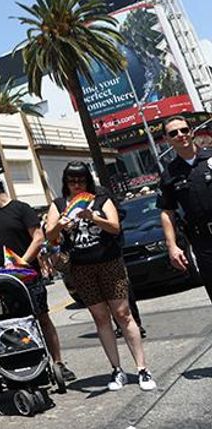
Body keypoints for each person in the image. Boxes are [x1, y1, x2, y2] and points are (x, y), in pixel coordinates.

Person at [44, 162, 156, 391]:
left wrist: (93, 217)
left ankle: (142, 369)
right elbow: (49, 236)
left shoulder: (101, 200)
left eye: (81, 181)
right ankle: (116, 369)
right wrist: (60, 226)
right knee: (100, 318)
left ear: (88, 182)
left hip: (109, 263)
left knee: (123, 314)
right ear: (65, 183)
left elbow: (115, 227)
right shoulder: (58, 205)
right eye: (72, 181)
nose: (76, 185)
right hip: (81, 267)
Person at [0, 175, 75, 382]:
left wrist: (22, 263)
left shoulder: (22, 209)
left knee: (42, 318)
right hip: (3, 280)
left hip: (28, 276)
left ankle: (58, 362)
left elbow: (38, 237)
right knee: (10, 321)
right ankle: (23, 362)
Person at [158, 116, 212, 303]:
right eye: (174, 133)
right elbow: (167, 211)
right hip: (204, 242)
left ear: (192, 131)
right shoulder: (169, 174)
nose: (180, 135)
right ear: (167, 139)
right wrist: (172, 246)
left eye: (184, 130)